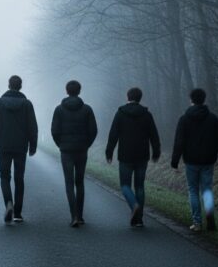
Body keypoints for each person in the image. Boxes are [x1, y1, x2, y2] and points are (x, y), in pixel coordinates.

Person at [171, 88, 218, 233]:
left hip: (191, 161)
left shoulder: (184, 119)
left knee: (193, 190)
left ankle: (197, 222)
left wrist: (174, 162)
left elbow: (179, 142)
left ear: (191, 100)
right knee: (207, 189)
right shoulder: (213, 118)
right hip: (208, 160)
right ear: (204, 99)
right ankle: (210, 218)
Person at [106, 87, 161, 228]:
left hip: (125, 155)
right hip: (142, 155)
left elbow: (113, 134)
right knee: (139, 186)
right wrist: (156, 151)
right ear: (140, 98)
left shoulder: (120, 113)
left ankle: (134, 205)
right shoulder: (146, 114)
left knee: (125, 185)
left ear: (128, 97)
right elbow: (154, 135)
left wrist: (109, 152)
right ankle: (139, 219)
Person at [0, 75, 38, 223]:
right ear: (20, 86)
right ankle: (17, 213)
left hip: (4, 145)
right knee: (19, 178)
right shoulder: (27, 104)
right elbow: (32, 127)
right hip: (21, 146)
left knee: (4, 177)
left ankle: (8, 203)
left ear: (9, 85)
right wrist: (33, 146)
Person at [51, 80, 98, 227]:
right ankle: (81, 215)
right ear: (79, 91)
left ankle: (74, 216)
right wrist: (86, 144)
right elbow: (93, 131)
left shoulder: (59, 109)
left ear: (67, 91)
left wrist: (61, 145)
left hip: (66, 151)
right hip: (81, 150)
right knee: (80, 182)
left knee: (69, 183)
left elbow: (54, 131)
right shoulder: (87, 109)